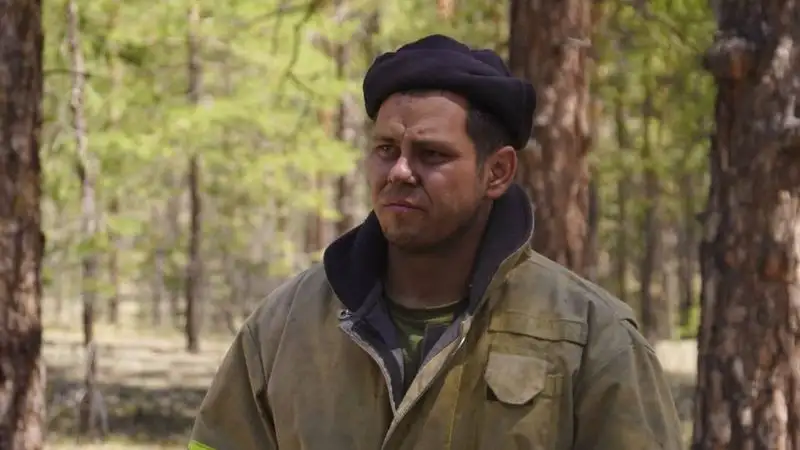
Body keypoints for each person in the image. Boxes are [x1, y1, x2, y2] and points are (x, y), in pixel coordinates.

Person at [188, 34, 683, 450]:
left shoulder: (590, 336)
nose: (400, 172)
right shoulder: (284, 326)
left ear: (497, 172)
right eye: (386, 149)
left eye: (431, 154)